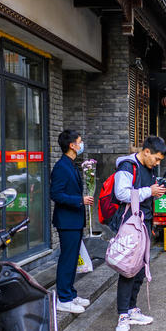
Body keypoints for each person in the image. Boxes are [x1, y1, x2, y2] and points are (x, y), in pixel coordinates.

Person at [111, 136, 166, 331]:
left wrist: (155, 192)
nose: (158, 163)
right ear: (146, 152)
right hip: (130, 224)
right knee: (128, 269)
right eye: (157, 159)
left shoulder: (150, 169)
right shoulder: (127, 167)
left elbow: (145, 193)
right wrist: (148, 191)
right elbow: (122, 193)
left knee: (141, 269)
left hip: (144, 223)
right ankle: (122, 317)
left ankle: (132, 309)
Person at [50, 129, 93, 314]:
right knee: (67, 259)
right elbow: (56, 194)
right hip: (67, 221)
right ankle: (63, 298)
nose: (81, 144)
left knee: (73, 258)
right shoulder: (61, 166)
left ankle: (71, 293)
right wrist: (79, 200)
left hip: (74, 220)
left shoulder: (71, 164)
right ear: (72, 145)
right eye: (79, 141)